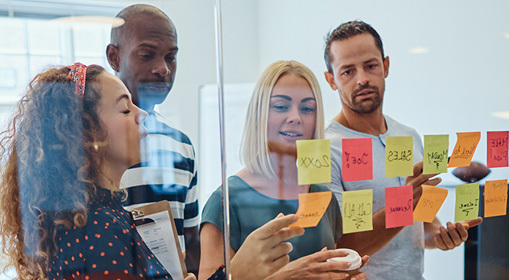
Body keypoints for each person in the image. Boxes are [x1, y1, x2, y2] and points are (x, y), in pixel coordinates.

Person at [0, 63, 315, 280]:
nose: (141, 115)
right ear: (88, 133)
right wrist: (238, 273)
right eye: (125, 108)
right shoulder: (97, 229)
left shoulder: (100, 216)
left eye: (306, 107)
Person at [323, 20, 483, 279]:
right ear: (331, 80)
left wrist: (441, 237)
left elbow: (424, 224)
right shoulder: (326, 150)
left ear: (385, 66)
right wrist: (404, 204)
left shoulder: (408, 136)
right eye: (347, 72)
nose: (362, 79)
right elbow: (340, 248)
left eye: (370, 66)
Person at [199, 60, 368, 280]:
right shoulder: (225, 202)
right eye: (281, 106)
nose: (295, 118)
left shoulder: (323, 196)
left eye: (307, 109)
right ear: (259, 114)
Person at [106, 4, 200, 274]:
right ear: (114, 57)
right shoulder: (89, 142)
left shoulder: (181, 144)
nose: (163, 69)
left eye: (171, 57)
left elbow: (191, 242)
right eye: (147, 55)